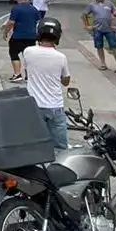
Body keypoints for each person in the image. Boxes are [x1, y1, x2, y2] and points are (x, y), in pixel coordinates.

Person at [21, 17, 72, 151]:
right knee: (60, 147)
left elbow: (26, 73)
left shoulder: (28, 51)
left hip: (34, 105)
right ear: (57, 36)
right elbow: (66, 81)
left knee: (34, 144)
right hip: (55, 107)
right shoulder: (61, 57)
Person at [3, 0, 43, 82]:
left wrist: (5, 32)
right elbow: (38, 22)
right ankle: (29, 75)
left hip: (18, 36)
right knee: (28, 56)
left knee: (14, 54)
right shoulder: (34, 9)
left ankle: (17, 74)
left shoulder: (16, 8)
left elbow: (11, 22)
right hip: (31, 37)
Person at [82, 0, 116, 71]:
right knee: (99, 46)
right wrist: (87, 25)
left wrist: (115, 14)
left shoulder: (109, 3)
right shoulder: (92, 5)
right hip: (97, 29)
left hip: (109, 28)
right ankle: (103, 63)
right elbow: (84, 15)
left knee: (114, 46)